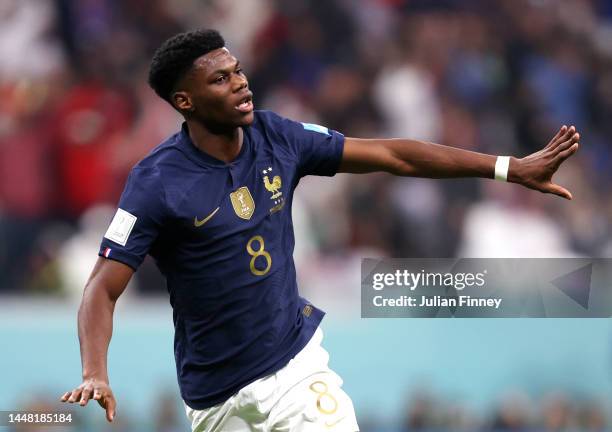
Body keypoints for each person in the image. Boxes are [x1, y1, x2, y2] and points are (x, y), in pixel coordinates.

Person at [60, 29, 580, 432]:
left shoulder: (276, 136)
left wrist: (508, 167)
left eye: (238, 71)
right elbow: (101, 288)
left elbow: (392, 154)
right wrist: (94, 371)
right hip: (212, 397)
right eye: (219, 79)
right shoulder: (154, 182)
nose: (240, 83)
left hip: (294, 369)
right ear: (184, 102)